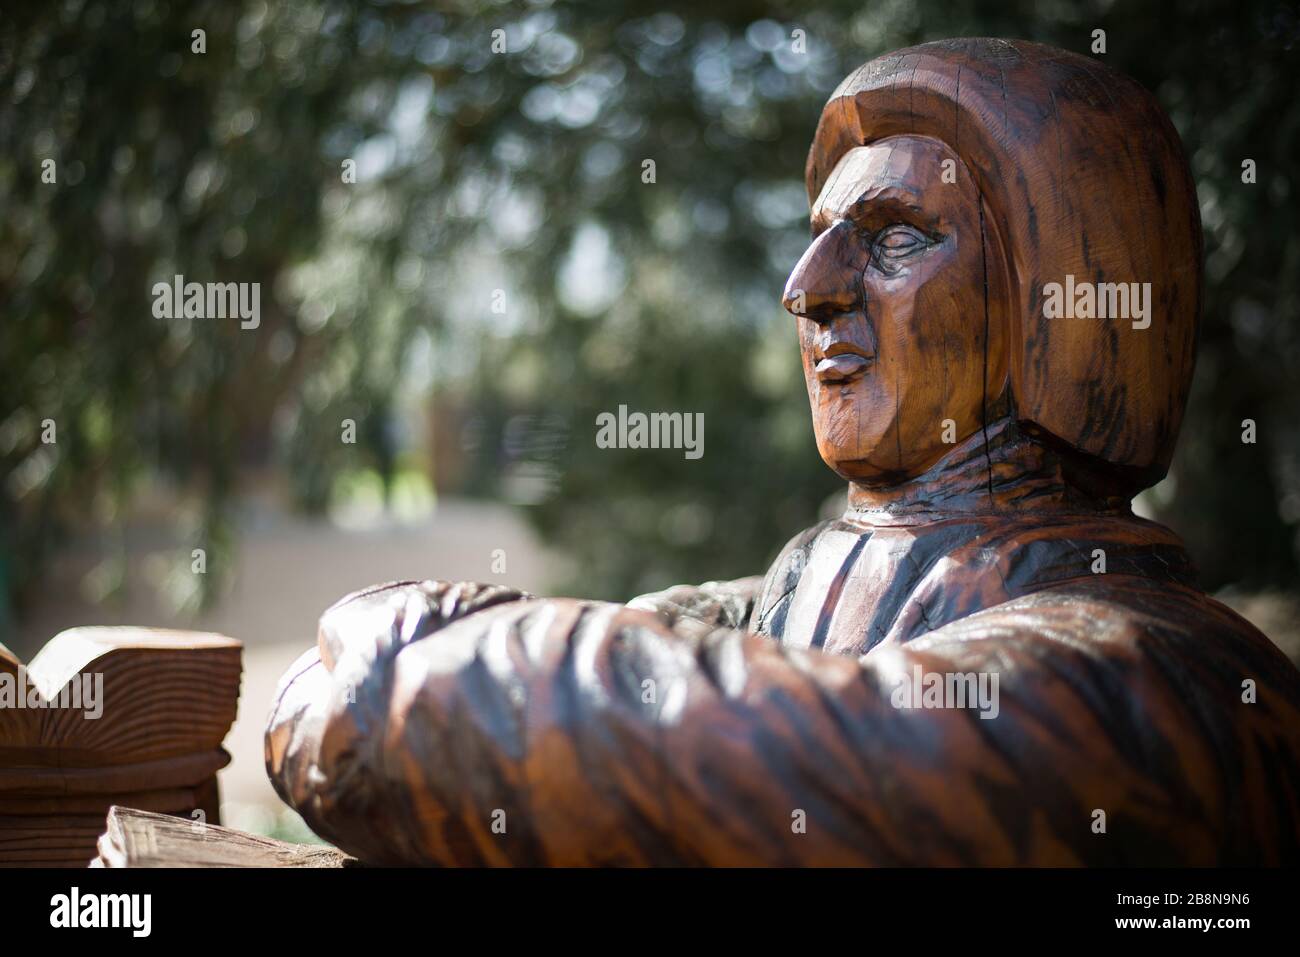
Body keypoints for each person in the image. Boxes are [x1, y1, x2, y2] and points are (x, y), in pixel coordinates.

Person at [266, 39, 1300, 866]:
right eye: (818, 233)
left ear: (1058, 305)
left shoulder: (1163, 673)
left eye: (894, 236)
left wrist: (388, 654)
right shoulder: (784, 599)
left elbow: (735, 743)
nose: (807, 288)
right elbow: (598, 678)